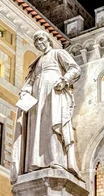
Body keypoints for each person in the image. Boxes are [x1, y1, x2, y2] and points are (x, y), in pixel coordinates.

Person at [11, 30, 82, 183]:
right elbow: (29, 82)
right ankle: (35, 162)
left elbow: (75, 68)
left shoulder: (58, 53)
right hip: (36, 98)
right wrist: (25, 92)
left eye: (41, 39)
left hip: (53, 93)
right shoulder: (36, 62)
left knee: (52, 125)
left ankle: (55, 160)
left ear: (48, 40)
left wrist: (64, 80)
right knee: (36, 129)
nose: (39, 42)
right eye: (36, 41)